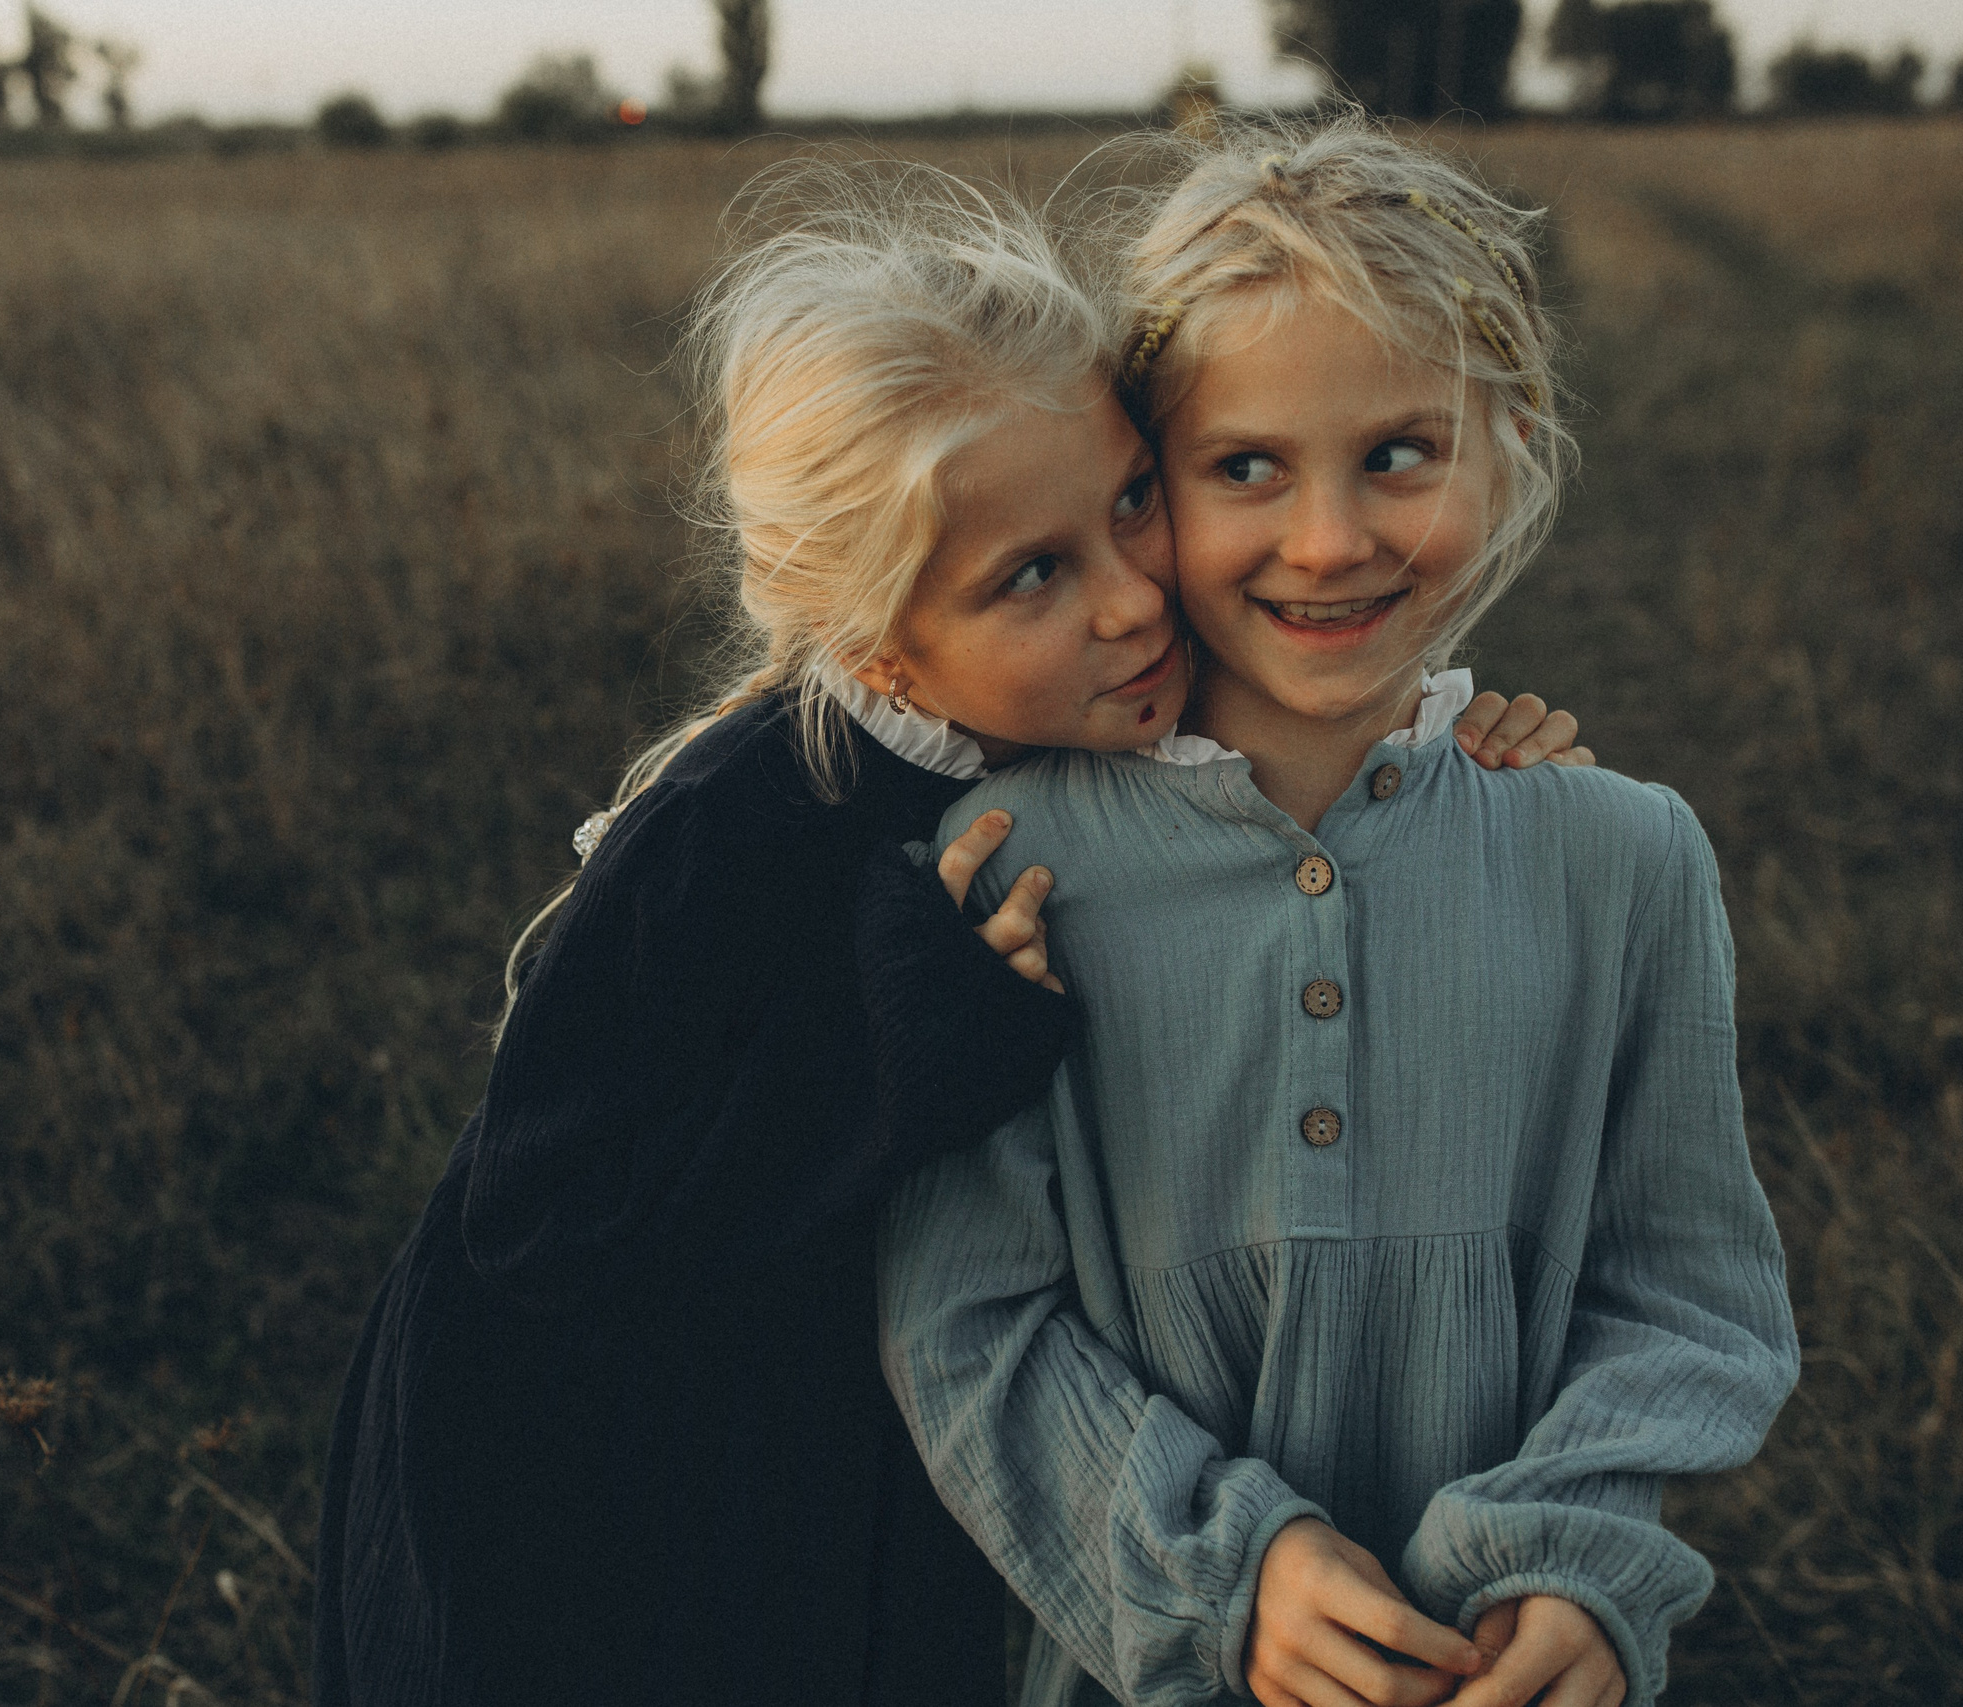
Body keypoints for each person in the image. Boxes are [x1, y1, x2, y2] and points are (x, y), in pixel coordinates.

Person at [312, 158, 1588, 1707]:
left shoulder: (1049, 721)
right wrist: (894, 1053)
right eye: (1034, 573)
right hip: (579, 1509)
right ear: (875, 644)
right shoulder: (731, 834)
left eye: (1129, 504)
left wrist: (1471, 778)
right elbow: (544, 1220)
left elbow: (1288, 793)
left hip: (836, 1435)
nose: (1134, 600)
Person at [877, 117, 1799, 1707]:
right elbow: (964, 1320)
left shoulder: (1623, 859)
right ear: (1146, 490)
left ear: (1510, 445)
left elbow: (1687, 1289)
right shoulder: (1006, 867)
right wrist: (1220, 1576)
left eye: (1401, 453)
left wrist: (1575, 1561)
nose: (1328, 540)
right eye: (1247, 468)